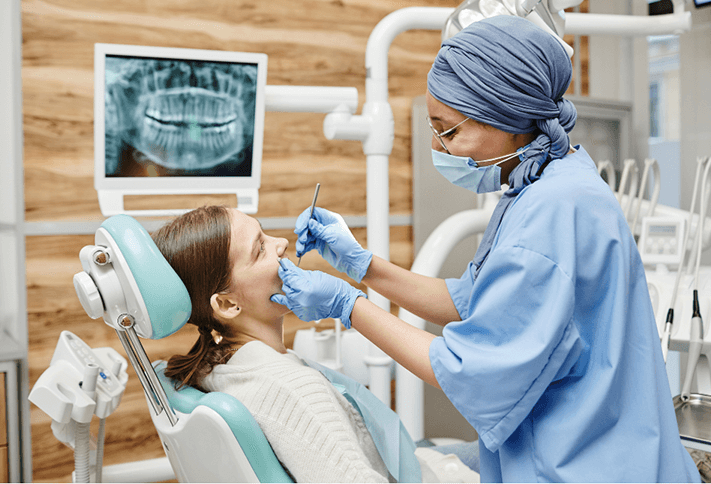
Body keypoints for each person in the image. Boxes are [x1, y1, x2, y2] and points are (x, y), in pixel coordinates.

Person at [272, 16, 701, 482]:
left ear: (509, 118)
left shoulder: (549, 216)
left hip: (587, 464)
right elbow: (474, 300)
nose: (439, 147)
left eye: (449, 132)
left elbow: (465, 368)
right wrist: (361, 264)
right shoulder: (545, 184)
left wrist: (346, 305)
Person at [151, 205, 479, 483]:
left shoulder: (218, 365)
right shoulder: (294, 391)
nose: (281, 243)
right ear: (226, 305)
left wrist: (362, 267)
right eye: (259, 249)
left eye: (265, 234)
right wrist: (347, 302)